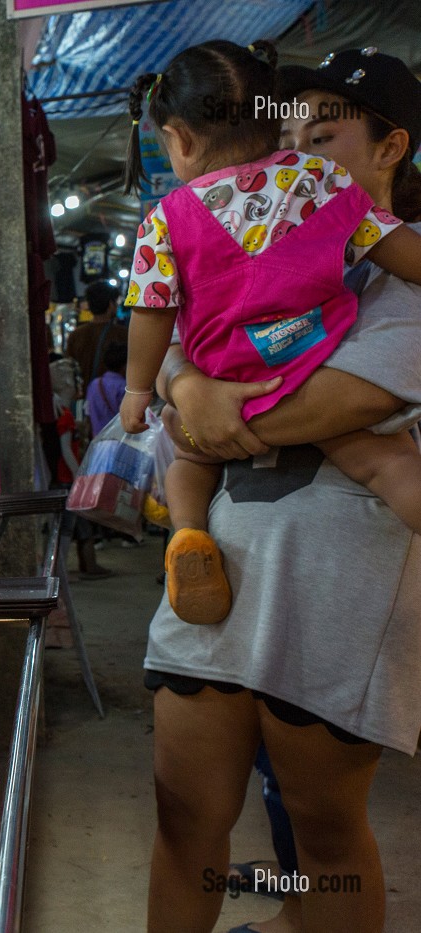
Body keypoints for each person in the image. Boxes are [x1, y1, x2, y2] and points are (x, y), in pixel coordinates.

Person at [144, 47, 421, 933]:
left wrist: (190, 393)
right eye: (286, 131)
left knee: (323, 832)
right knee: (186, 814)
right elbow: (178, 392)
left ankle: (306, 913)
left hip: (337, 577)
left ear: (391, 148)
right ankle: (283, 915)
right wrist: (183, 385)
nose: (291, 157)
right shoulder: (250, 244)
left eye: (323, 134)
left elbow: (334, 405)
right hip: (224, 565)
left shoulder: (401, 277)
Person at [118, 40, 421, 625]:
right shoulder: (322, 182)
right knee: (388, 462)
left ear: (178, 140)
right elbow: (399, 250)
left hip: (222, 370)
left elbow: (152, 313)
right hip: (312, 355)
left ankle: (187, 537)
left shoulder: (166, 218)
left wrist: (142, 392)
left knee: (186, 454)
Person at [49, 357, 111, 579]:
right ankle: (60, 572)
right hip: (68, 478)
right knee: (65, 527)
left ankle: (61, 571)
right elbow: (66, 450)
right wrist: (79, 477)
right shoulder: (63, 415)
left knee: (67, 527)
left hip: (66, 477)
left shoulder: (62, 412)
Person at [65, 279, 127, 394]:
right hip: (115, 399)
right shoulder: (122, 335)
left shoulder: (75, 335)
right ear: (110, 304)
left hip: (85, 400)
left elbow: (69, 369)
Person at [85, 342, 127, 436]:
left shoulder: (94, 384)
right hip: (120, 439)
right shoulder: (125, 387)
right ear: (125, 366)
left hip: (98, 440)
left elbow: (88, 412)